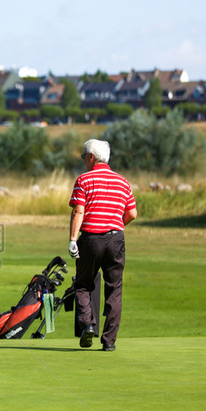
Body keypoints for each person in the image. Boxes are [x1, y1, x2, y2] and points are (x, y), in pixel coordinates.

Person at [68, 139, 137, 352]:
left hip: (90, 239)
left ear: (91, 157)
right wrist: (115, 225)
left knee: (82, 284)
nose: (83, 161)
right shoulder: (123, 181)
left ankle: (88, 324)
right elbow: (132, 213)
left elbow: (79, 210)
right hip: (116, 239)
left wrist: (72, 239)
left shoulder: (84, 180)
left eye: (83, 156)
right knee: (114, 289)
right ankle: (109, 341)